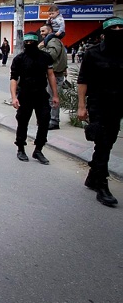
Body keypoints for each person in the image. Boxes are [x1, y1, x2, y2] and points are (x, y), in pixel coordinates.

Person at [77, 17, 123, 207]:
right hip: (98, 104)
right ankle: (102, 186)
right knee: (102, 142)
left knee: (109, 142)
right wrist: (81, 106)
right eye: (114, 28)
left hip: (118, 104)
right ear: (104, 33)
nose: (118, 30)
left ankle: (92, 176)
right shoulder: (92, 53)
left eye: (121, 27)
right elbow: (83, 80)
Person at [10, 32, 59, 164]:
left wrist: (55, 95)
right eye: (27, 42)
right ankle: (20, 148)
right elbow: (14, 78)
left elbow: (51, 75)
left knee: (44, 120)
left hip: (41, 95)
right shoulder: (19, 59)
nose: (29, 44)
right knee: (22, 122)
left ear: (37, 42)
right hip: (25, 95)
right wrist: (14, 97)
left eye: (32, 42)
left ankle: (38, 149)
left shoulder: (45, 57)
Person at [40, 24, 67, 130]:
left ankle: (54, 121)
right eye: (41, 31)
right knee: (50, 98)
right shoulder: (51, 41)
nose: (42, 33)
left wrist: (41, 48)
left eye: (44, 31)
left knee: (53, 98)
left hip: (55, 74)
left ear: (50, 30)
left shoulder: (53, 41)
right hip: (53, 74)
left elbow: (51, 56)